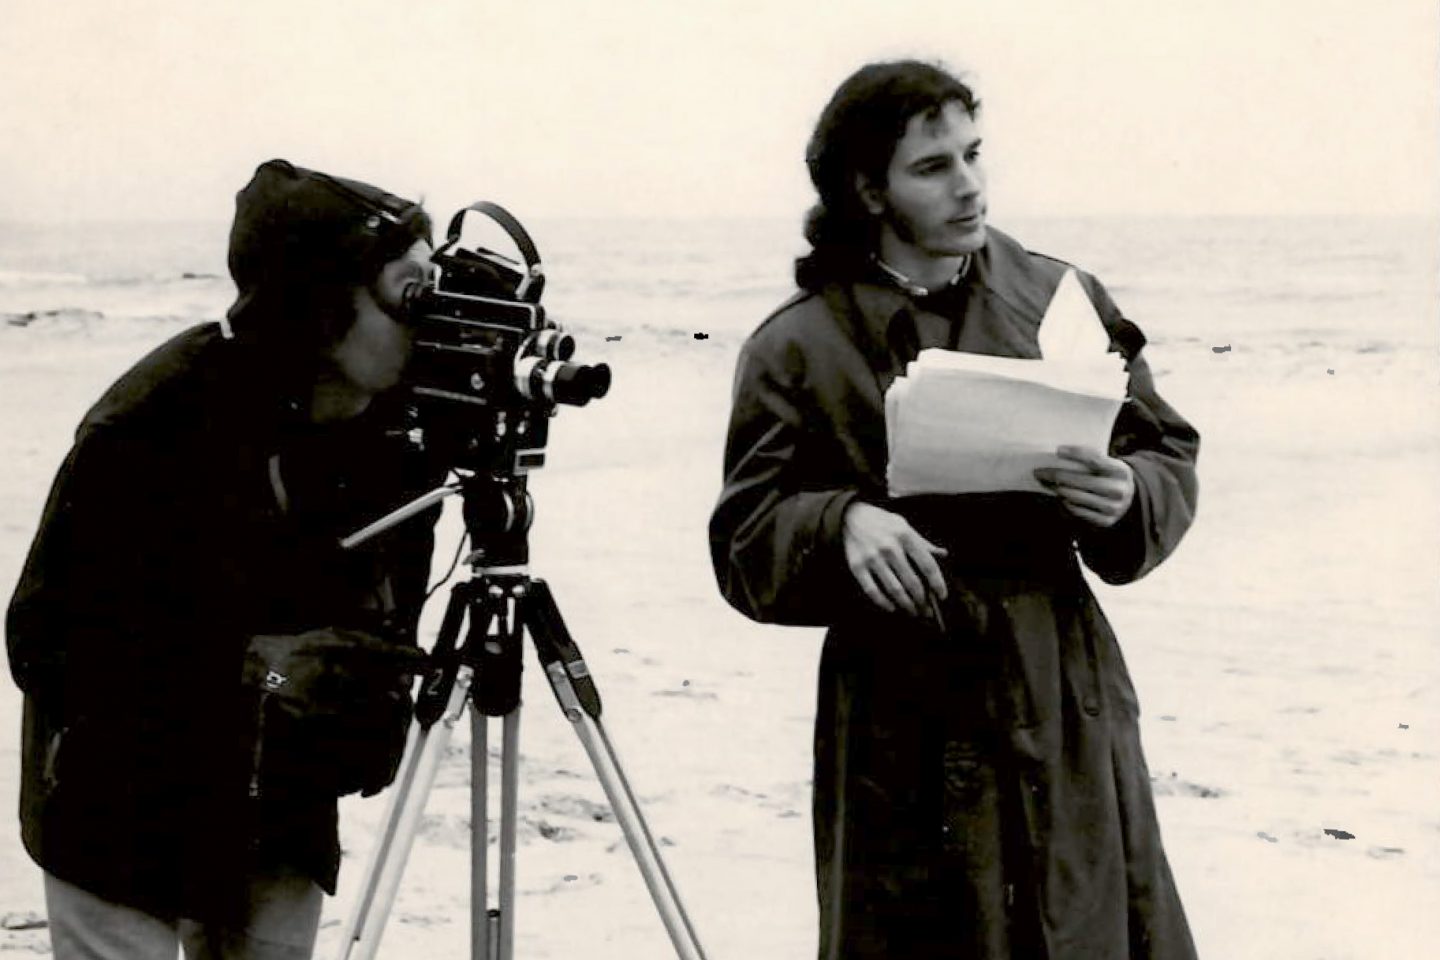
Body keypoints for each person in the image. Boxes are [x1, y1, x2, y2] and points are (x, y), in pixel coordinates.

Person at [709, 61, 1201, 959]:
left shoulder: (1062, 300)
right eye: (932, 166)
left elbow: (1164, 449)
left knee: (1087, 918)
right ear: (869, 190)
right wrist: (838, 520)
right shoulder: (798, 343)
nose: (970, 183)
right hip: (902, 696)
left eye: (973, 154)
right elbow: (744, 542)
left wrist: (1128, 495)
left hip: (1060, 680)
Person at [7, 159, 443, 960]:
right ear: (319, 300)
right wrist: (262, 674)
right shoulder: (151, 424)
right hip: (117, 804)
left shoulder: (393, 434)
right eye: (411, 292)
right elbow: (43, 642)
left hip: (278, 797)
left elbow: (386, 616)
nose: (431, 320)